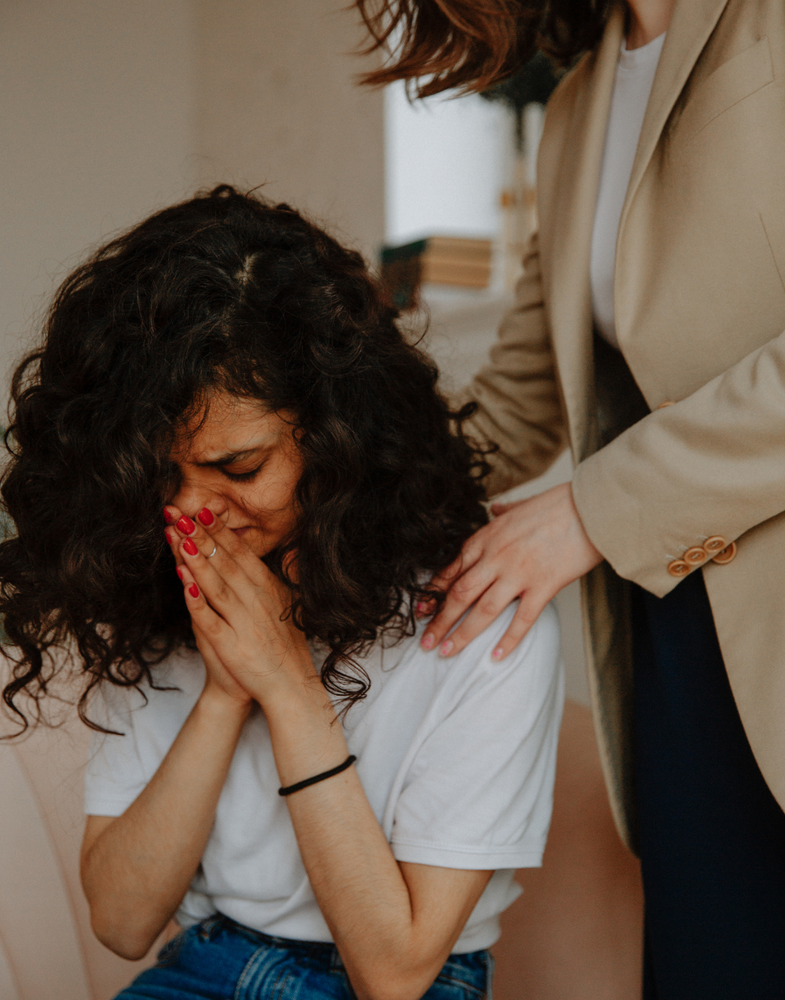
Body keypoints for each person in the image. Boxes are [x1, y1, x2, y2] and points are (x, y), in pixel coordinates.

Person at [0, 187, 564, 1000]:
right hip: (204, 966)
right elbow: (121, 922)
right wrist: (226, 694)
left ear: (336, 439)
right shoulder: (157, 593)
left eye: (239, 467)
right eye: (160, 478)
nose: (193, 512)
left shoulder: (478, 612)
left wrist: (288, 684)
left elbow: (395, 972)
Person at [355, 0, 785, 996]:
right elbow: (519, 400)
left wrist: (589, 512)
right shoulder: (577, 107)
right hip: (675, 634)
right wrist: (323, 487)